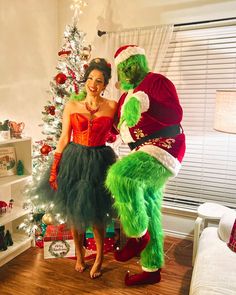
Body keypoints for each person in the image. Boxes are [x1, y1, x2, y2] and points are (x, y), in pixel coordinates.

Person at [106, 45, 186, 286]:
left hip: (164, 145)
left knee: (120, 176)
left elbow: (175, 115)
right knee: (149, 208)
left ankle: (138, 236)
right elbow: (116, 130)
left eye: (132, 66)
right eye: (124, 68)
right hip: (141, 150)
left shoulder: (157, 82)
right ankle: (152, 269)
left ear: (141, 63)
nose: (128, 72)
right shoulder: (124, 96)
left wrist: (146, 102)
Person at [35, 58, 117, 279]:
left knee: (98, 215)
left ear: (105, 84)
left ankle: (99, 258)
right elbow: (63, 138)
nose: (93, 84)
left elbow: (123, 130)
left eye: (99, 81)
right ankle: (80, 254)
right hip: (74, 159)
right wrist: (55, 168)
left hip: (100, 161)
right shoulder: (72, 105)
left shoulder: (112, 106)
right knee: (75, 211)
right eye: (90, 78)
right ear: (85, 79)